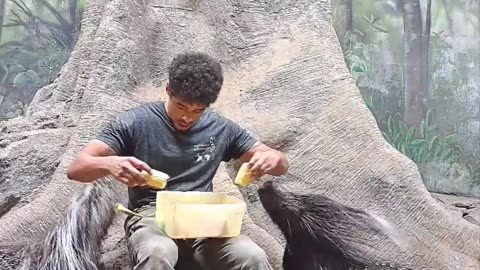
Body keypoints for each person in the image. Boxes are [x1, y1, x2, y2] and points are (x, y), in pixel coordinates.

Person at [67, 52, 289, 270]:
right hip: (152, 217)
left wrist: (270, 159)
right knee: (157, 252)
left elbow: (280, 164)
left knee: (252, 256)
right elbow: (77, 168)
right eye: (181, 106)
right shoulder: (136, 122)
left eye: (197, 111)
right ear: (168, 91)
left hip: (204, 220)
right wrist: (110, 164)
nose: (187, 117)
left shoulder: (221, 128)